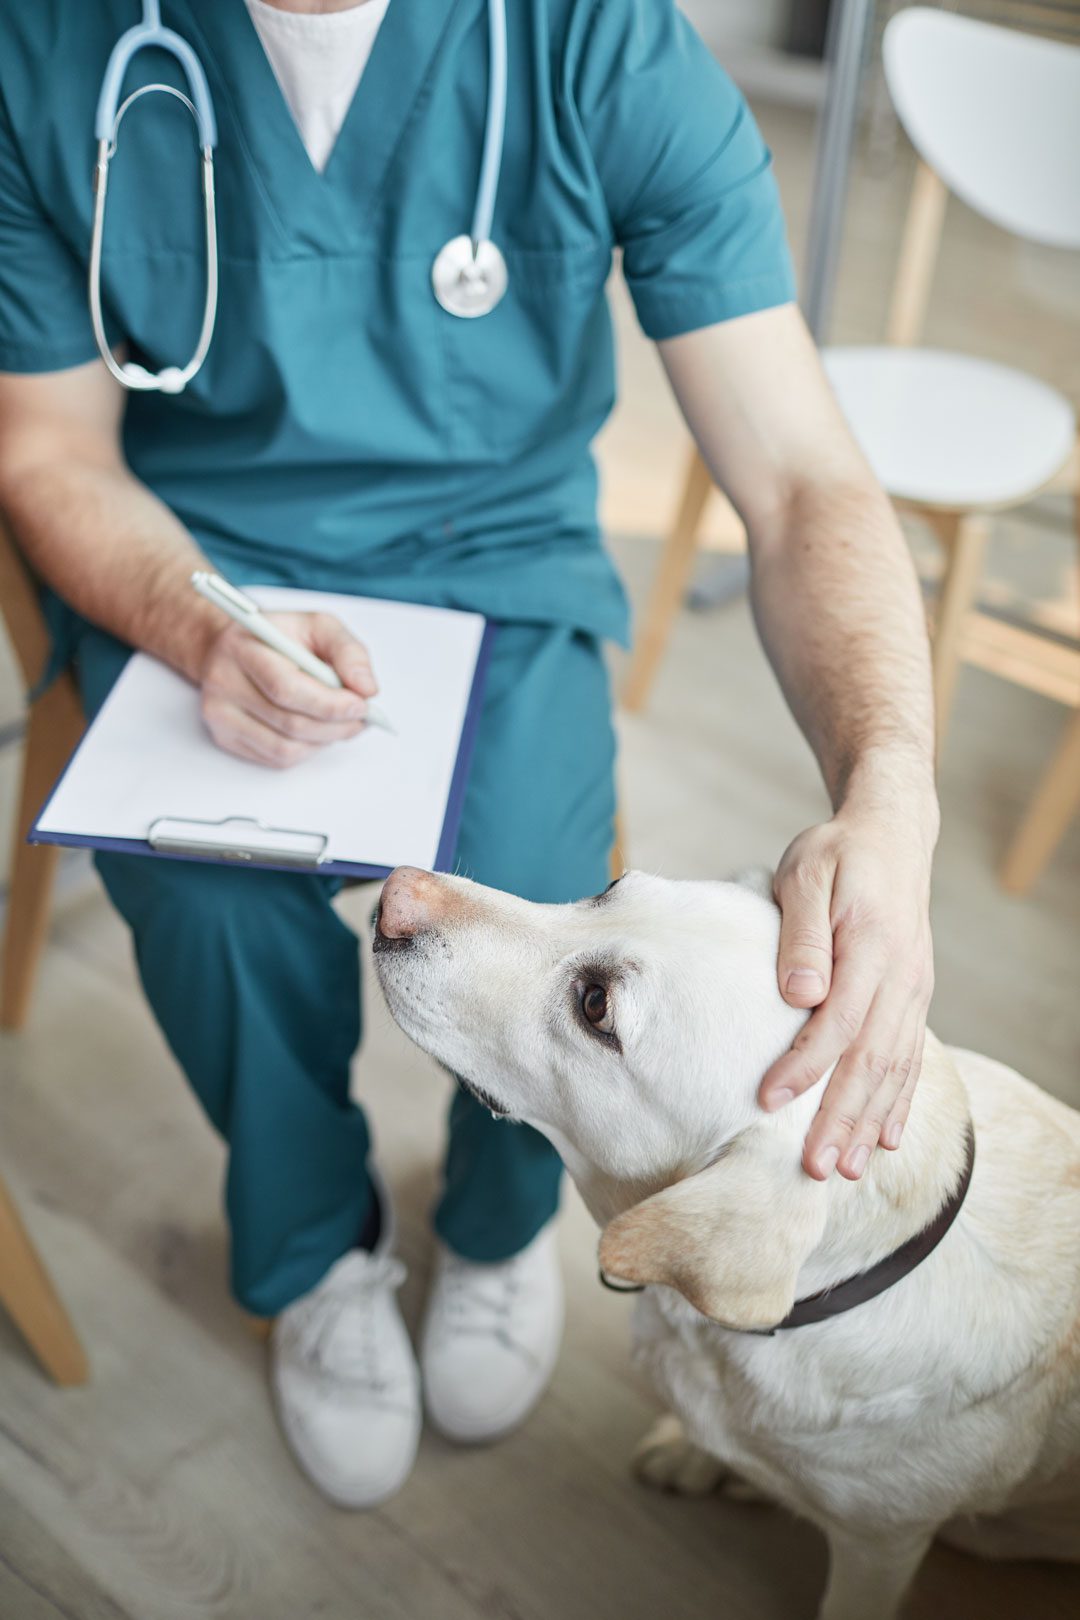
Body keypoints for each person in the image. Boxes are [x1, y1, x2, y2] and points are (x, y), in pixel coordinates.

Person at [0, 0, 939, 1508]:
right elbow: (49, 451)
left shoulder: (594, 44)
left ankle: (500, 1225)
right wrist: (190, 624)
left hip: (492, 561)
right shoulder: (46, 51)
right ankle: (319, 1251)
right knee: (206, 902)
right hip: (207, 563)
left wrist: (891, 792)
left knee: (544, 879)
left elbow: (803, 473)